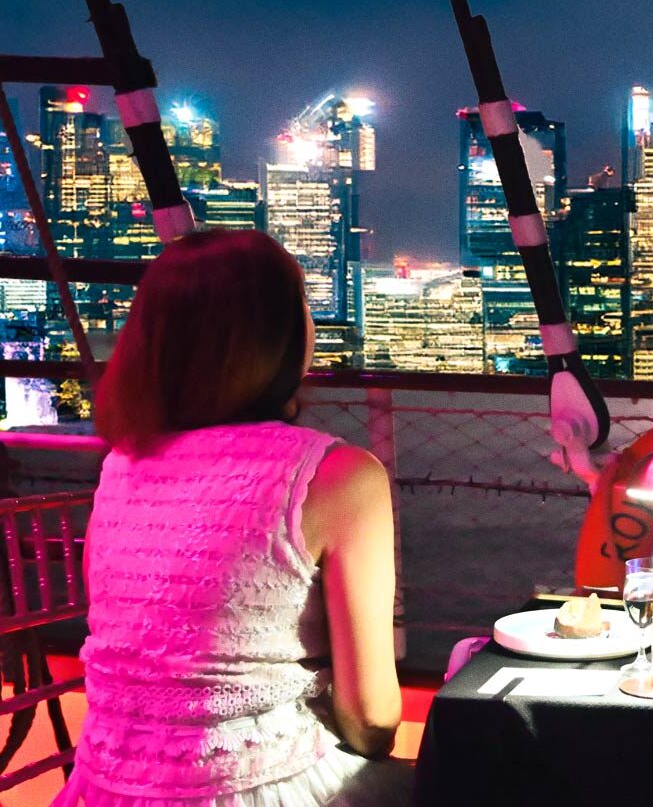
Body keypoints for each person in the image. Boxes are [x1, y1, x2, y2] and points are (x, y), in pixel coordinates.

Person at [55, 230, 410, 806]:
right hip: (268, 788)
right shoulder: (337, 475)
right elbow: (371, 717)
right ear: (281, 336)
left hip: (103, 788)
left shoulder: (122, 468)